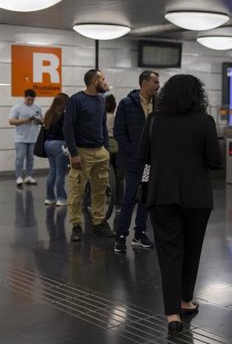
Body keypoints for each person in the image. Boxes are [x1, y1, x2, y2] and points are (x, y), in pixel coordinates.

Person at [138, 74, 222, 334]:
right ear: (197, 96)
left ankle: (172, 314)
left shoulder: (153, 121)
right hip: (196, 198)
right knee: (192, 251)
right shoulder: (205, 122)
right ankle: (186, 300)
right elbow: (215, 161)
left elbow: (143, 158)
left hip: (161, 196)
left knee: (169, 255)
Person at [63, 69, 114, 242]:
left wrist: (106, 149)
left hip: (100, 152)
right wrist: (74, 153)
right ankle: (76, 225)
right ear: (94, 82)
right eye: (103, 79)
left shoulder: (101, 100)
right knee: (77, 190)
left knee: (100, 190)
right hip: (82, 153)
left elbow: (102, 126)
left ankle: (98, 222)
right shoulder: (76, 100)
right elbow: (68, 127)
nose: (105, 82)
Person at [113, 70, 160, 253]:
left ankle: (139, 233)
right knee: (129, 197)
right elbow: (119, 131)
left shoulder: (158, 104)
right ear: (144, 83)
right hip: (133, 162)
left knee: (145, 198)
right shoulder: (126, 104)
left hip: (150, 163)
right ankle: (121, 236)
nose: (158, 85)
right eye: (155, 82)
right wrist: (132, 152)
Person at [9, 89, 43, 187]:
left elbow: (42, 120)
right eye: (28, 100)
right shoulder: (17, 108)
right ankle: (19, 177)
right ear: (24, 97)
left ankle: (29, 176)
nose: (30, 102)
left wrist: (38, 121)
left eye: (32, 100)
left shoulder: (37, 107)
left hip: (33, 137)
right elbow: (11, 121)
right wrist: (25, 120)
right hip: (20, 138)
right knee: (20, 157)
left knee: (31, 158)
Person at [42, 93, 70, 206]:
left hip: (47, 144)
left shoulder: (49, 113)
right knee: (60, 174)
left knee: (52, 171)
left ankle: (49, 198)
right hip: (59, 145)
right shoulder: (63, 115)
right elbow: (66, 131)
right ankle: (61, 198)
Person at [105, 94, 124, 212]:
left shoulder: (100, 118)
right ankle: (119, 204)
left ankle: (88, 201)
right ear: (114, 107)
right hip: (116, 146)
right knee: (119, 177)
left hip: (103, 146)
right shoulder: (116, 118)